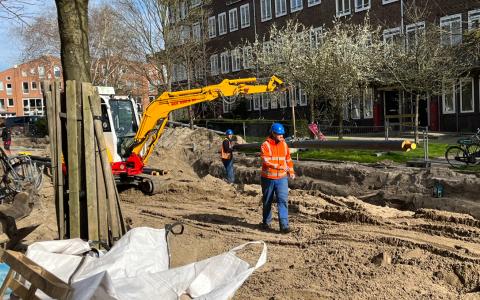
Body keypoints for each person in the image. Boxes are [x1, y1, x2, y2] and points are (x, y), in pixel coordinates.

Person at [260, 123, 295, 233]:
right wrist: (279, 166)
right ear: (273, 133)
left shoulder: (284, 144)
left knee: (283, 200)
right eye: (279, 134)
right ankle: (266, 222)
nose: (281, 136)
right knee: (267, 201)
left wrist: (291, 171)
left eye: (282, 134)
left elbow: (288, 159)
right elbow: (266, 161)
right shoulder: (265, 145)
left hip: (281, 179)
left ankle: (284, 226)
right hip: (268, 178)